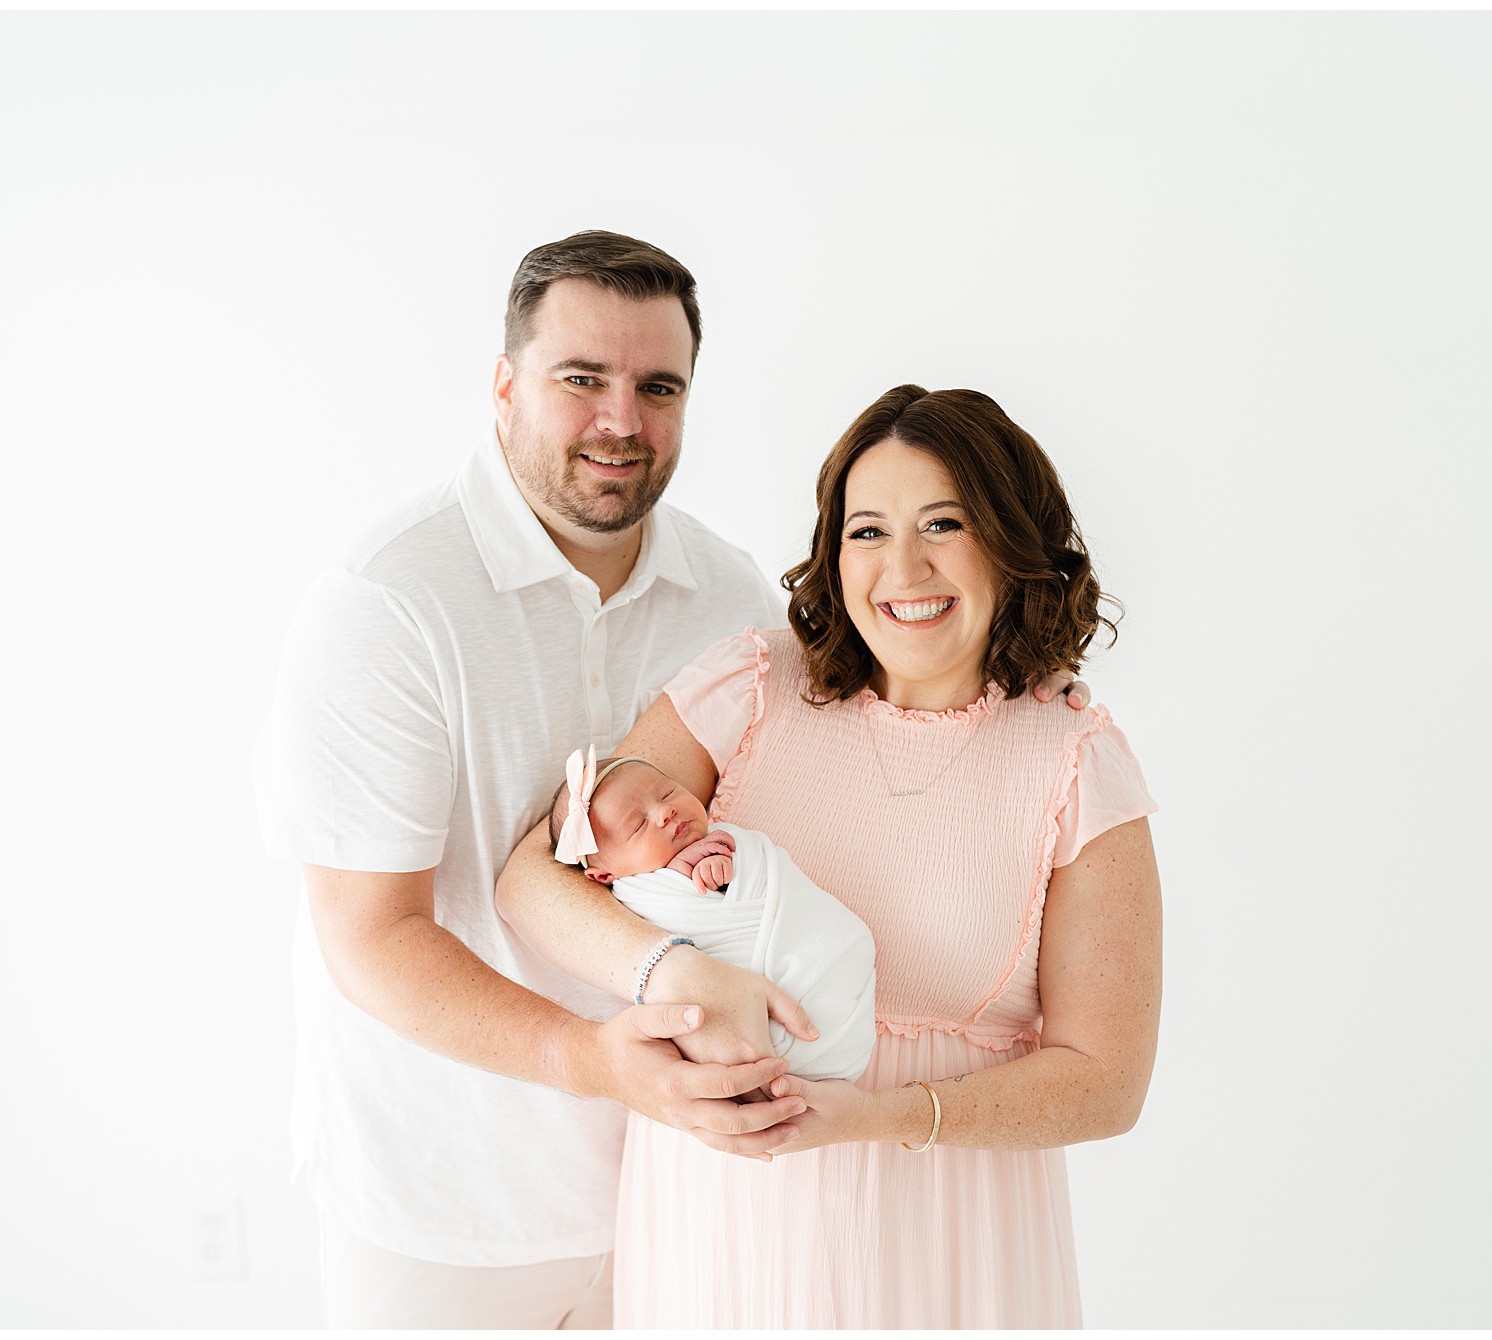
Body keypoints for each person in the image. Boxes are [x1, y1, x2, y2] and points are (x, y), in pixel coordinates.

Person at [497, 384, 1163, 1328]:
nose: (903, 567)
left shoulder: (1075, 761)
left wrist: (879, 1120)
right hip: (725, 1211)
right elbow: (535, 879)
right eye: (866, 531)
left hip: (945, 1232)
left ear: (1014, 541)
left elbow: (1106, 1081)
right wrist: (673, 970)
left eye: (945, 523)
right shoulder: (752, 685)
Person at [253, 231, 821, 1329]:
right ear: (504, 384)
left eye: (659, 387)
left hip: (681, 1183)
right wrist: (593, 1060)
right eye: (580, 379)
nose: (621, 421)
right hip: (441, 1200)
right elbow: (370, 932)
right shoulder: (388, 599)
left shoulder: (731, 597)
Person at [548, 749, 877, 1082]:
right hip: (743, 1015)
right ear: (604, 876)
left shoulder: (722, 839)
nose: (664, 811)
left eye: (667, 792)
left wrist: (729, 865)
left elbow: (759, 872)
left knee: (848, 946)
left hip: (820, 953)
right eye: (637, 825)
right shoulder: (637, 895)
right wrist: (693, 876)